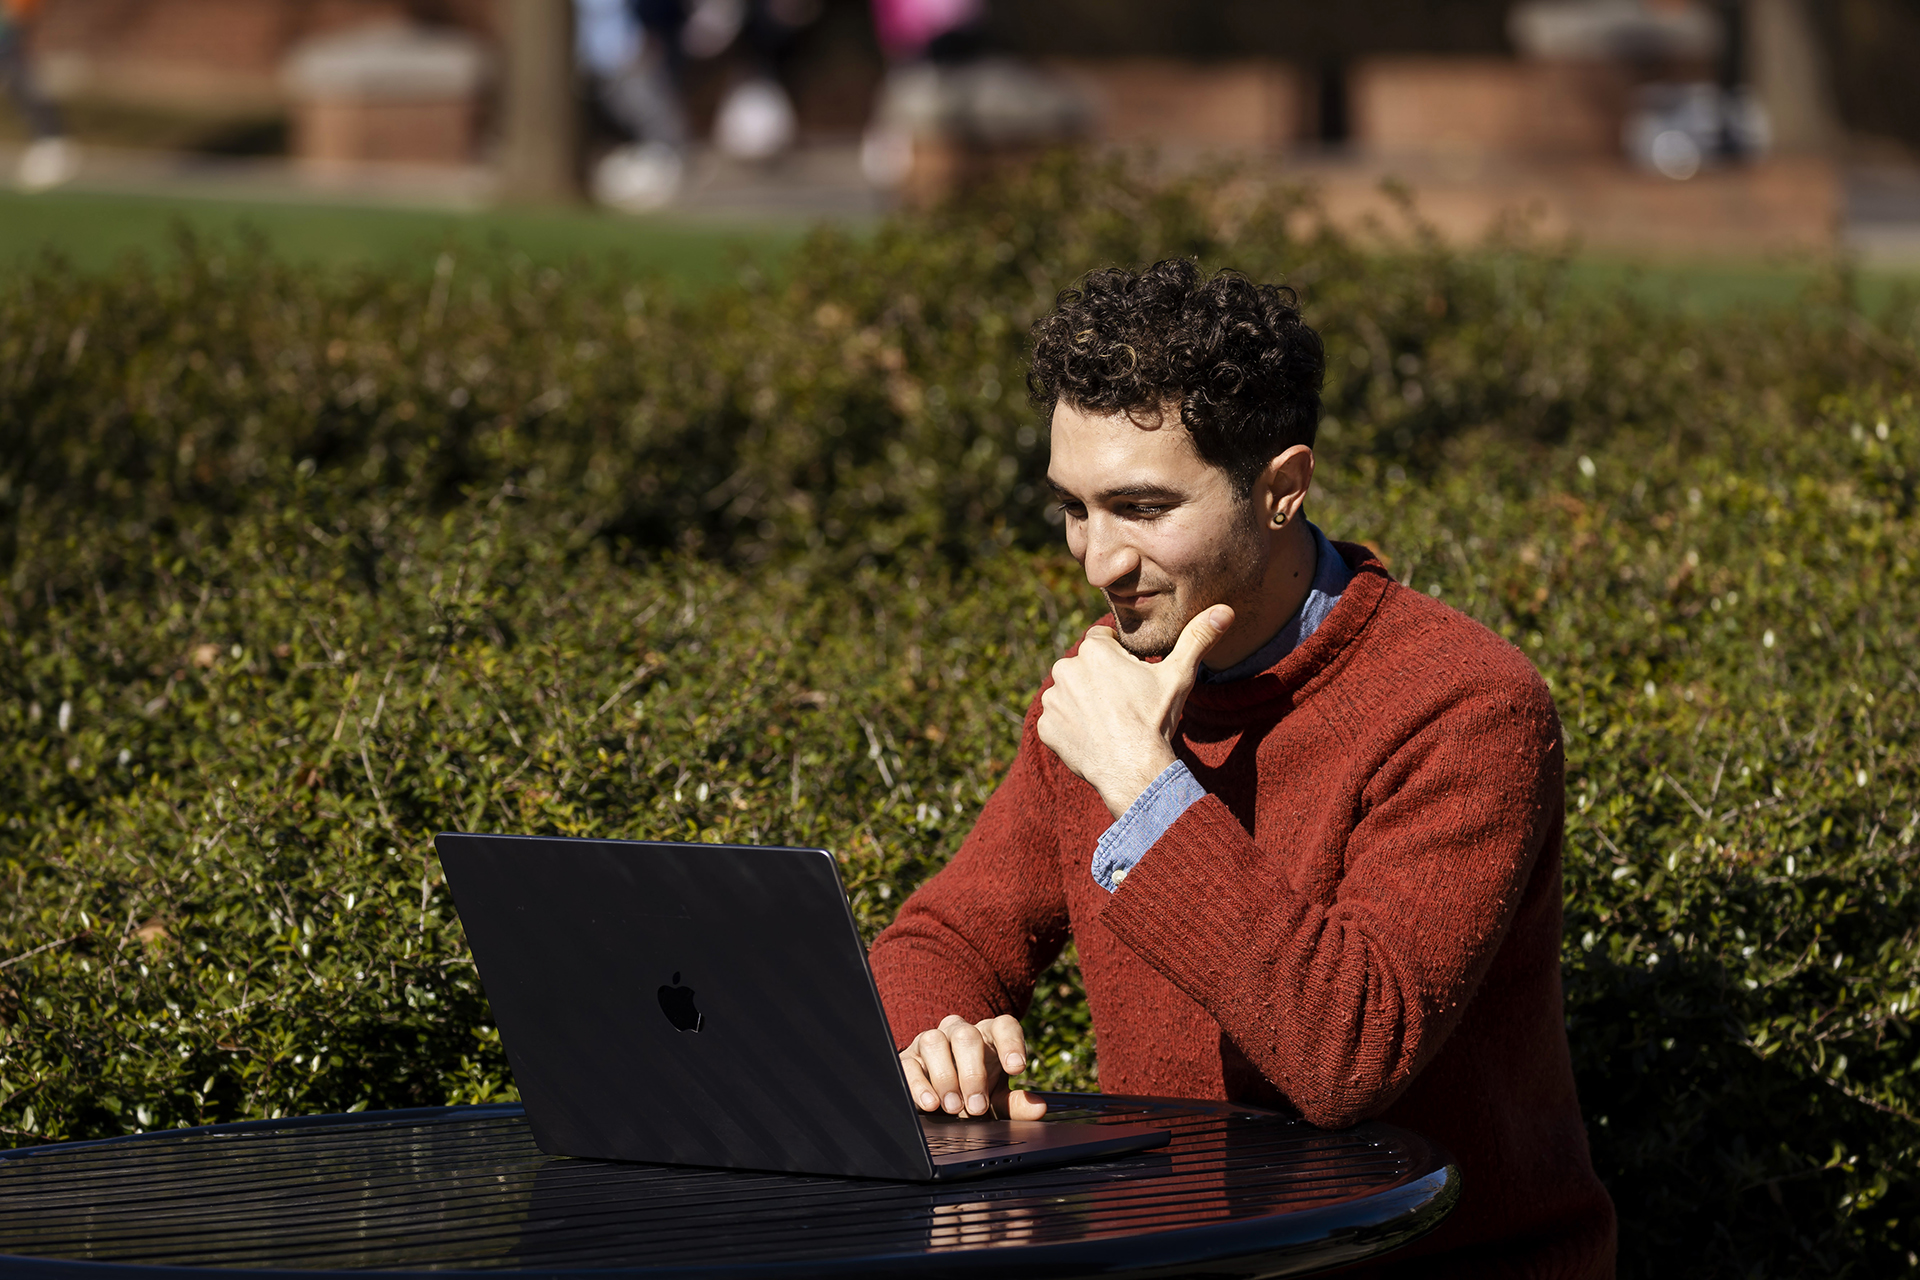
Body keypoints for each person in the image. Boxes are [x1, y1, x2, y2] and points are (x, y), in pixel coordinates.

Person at [866, 259, 1617, 1275]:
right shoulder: (1112, 688)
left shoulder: (1466, 705)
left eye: (1140, 506)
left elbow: (1347, 1053)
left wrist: (1143, 784)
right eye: (1075, 506)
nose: (1097, 559)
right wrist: (935, 1030)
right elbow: (942, 935)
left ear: (1281, 488)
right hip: (1177, 1256)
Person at [0, 0, 74, 191]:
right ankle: (50, 140)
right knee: (16, 72)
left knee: (16, 72)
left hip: (12, 18)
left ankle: (51, 142)